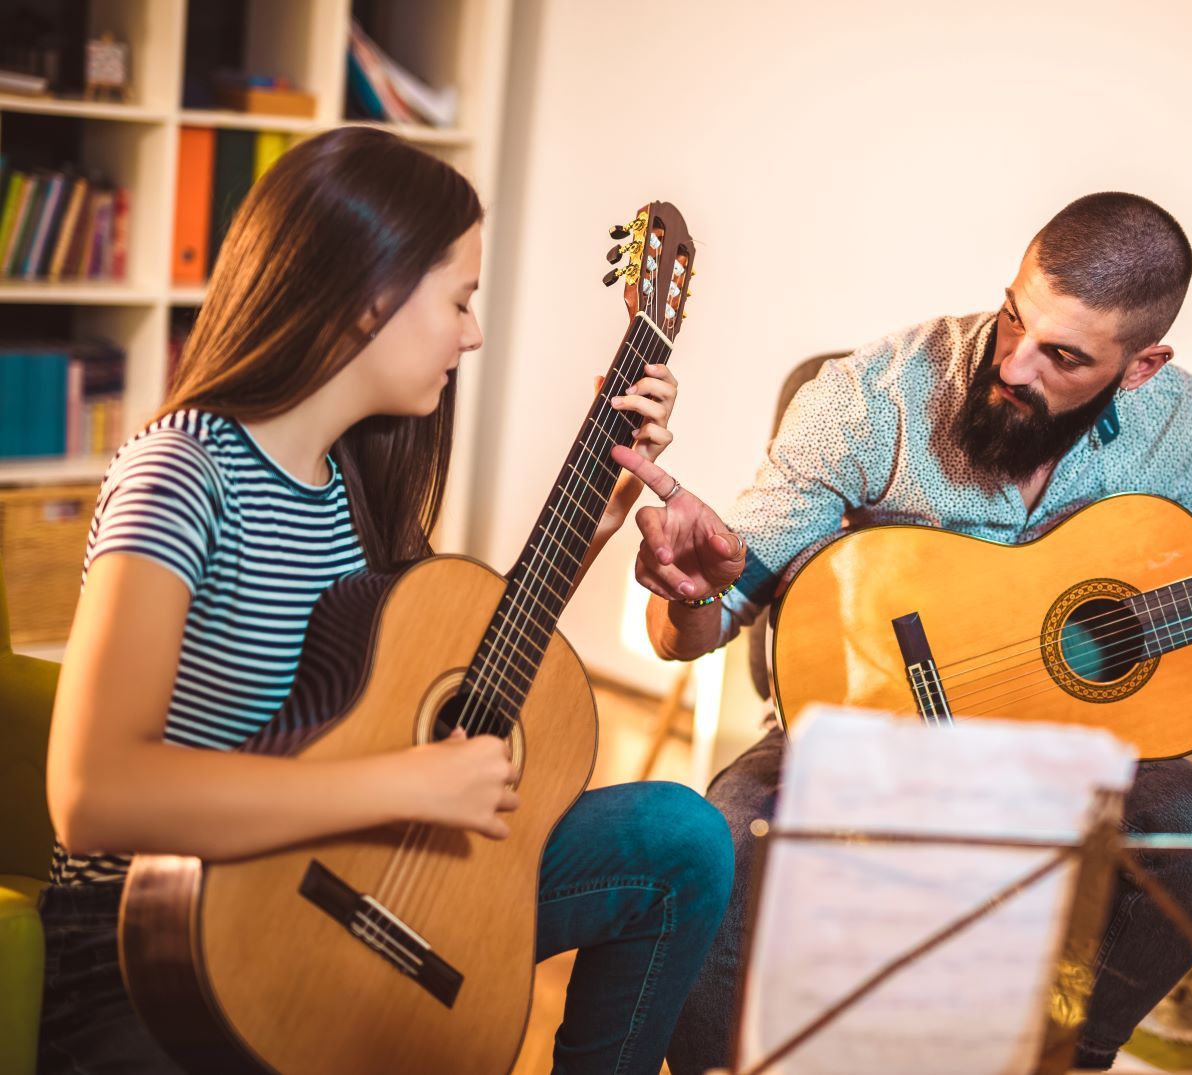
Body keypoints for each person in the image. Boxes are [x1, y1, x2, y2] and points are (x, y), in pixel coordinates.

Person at [612, 191, 1192, 1072]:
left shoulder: (1179, 431)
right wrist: (688, 595)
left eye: (1064, 356)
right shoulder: (868, 395)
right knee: (722, 836)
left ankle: (1062, 1052)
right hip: (862, 728)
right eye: (1013, 319)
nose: (1015, 365)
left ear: (1142, 364)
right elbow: (693, 628)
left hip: (1059, 752)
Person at [40, 127, 734, 1075]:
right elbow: (93, 794)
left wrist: (599, 519)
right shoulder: (180, 474)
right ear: (371, 293)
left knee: (680, 839)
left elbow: (442, 669)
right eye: (459, 299)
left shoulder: (349, 484)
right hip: (161, 938)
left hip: (341, 863)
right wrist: (407, 785)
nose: (473, 331)